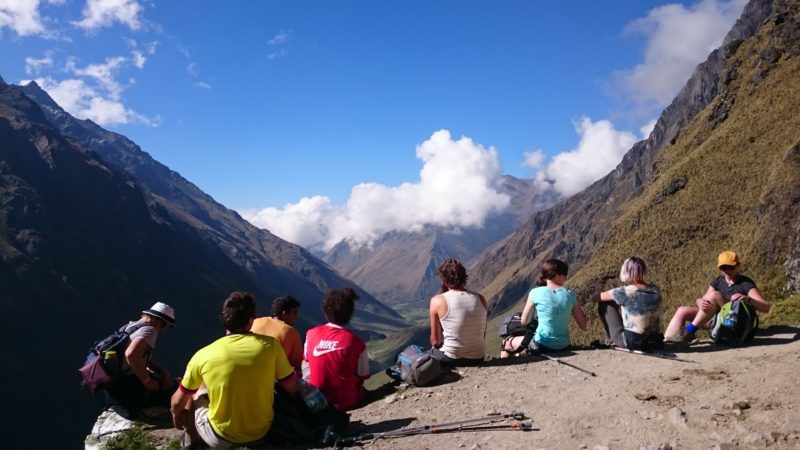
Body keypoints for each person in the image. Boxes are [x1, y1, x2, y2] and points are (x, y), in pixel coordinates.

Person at [170, 292, 301, 448]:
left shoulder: (203, 354)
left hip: (220, 437)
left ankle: (192, 439)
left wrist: (175, 414)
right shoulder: (271, 346)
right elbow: (291, 387)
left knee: (194, 390)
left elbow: (177, 402)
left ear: (224, 319)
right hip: (261, 432)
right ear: (251, 320)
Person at [664, 251, 770, 345]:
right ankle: (667, 341)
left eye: (731, 267)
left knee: (715, 295)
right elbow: (705, 299)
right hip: (717, 319)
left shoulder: (745, 283)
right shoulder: (719, 281)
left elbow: (766, 308)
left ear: (738, 266)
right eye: (723, 268)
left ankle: (689, 331)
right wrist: (699, 301)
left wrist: (748, 299)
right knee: (682, 310)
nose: (727, 270)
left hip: (734, 322)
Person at [501, 259, 587, 357]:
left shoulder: (535, 293)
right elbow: (583, 325)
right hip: (564, 346)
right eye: (565, 274)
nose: (566, 277)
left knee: (506, 342)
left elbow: (524, 321)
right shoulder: (571, 295)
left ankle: (507, 368)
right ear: (557, 275)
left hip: (541, 345)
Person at [304, 287, 370, 411]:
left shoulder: (310, 334)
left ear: (325, 312)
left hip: (317, 401)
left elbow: (307, 359)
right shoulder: (356, 342)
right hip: (347, 402)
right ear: (350, 314)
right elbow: (363, 375)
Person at [105, 301, 177, 413]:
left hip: (116, 384)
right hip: (129, 384)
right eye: (167, 326)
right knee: (172, 391)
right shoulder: (150, 330)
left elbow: (137, 355)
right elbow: (131, 354)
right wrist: (147, 380)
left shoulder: (130, 326)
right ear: (162, 323)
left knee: (166, 379)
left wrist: (159, 369)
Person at [591, 257, 663, 351]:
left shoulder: (624, 292)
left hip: (634, 342)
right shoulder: (655, 290)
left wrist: (615, 300)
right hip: (656, 342)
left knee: (605, 305)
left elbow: (596, 298)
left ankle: (610, 339)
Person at [429, 258, 488, 366]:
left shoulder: (437, 301)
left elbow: (435, 342)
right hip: (478, 358)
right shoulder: (481, 299)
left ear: (443, 280)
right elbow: (482, 334)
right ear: (464, 278)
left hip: (451, 359)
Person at [251, 295, 303, 371]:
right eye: (294, 313)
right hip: (271, 377)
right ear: (284, 313)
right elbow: (299, 364)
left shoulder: (255, 321)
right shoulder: (290, 332)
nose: (296, 317)